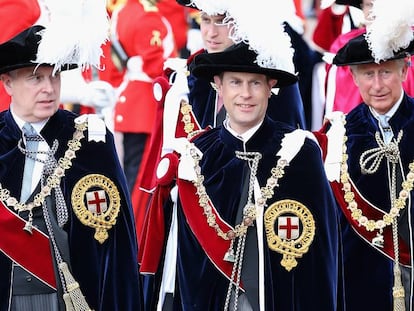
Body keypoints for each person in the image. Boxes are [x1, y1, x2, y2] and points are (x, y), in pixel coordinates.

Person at [140, 31, 342, 311]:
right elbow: (184, 264)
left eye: (255, 83)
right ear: (218, 85)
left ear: (270, 86)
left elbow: (320, 259)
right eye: (235, 82)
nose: (245, 94)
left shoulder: (298, 152)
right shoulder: (197, 155)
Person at [0, 25, 142, 310]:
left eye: (55, 76)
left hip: (71, 293)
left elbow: (117, 245)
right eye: (35, 78)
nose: (49, 89)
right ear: (7, 84)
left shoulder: (90, 141)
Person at [317, 4, 414, 308]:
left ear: (404, 70)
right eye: (367, 74)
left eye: (385, 72)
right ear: (354, 79)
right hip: (359, 281)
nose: (377, 85)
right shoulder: (338, 137)